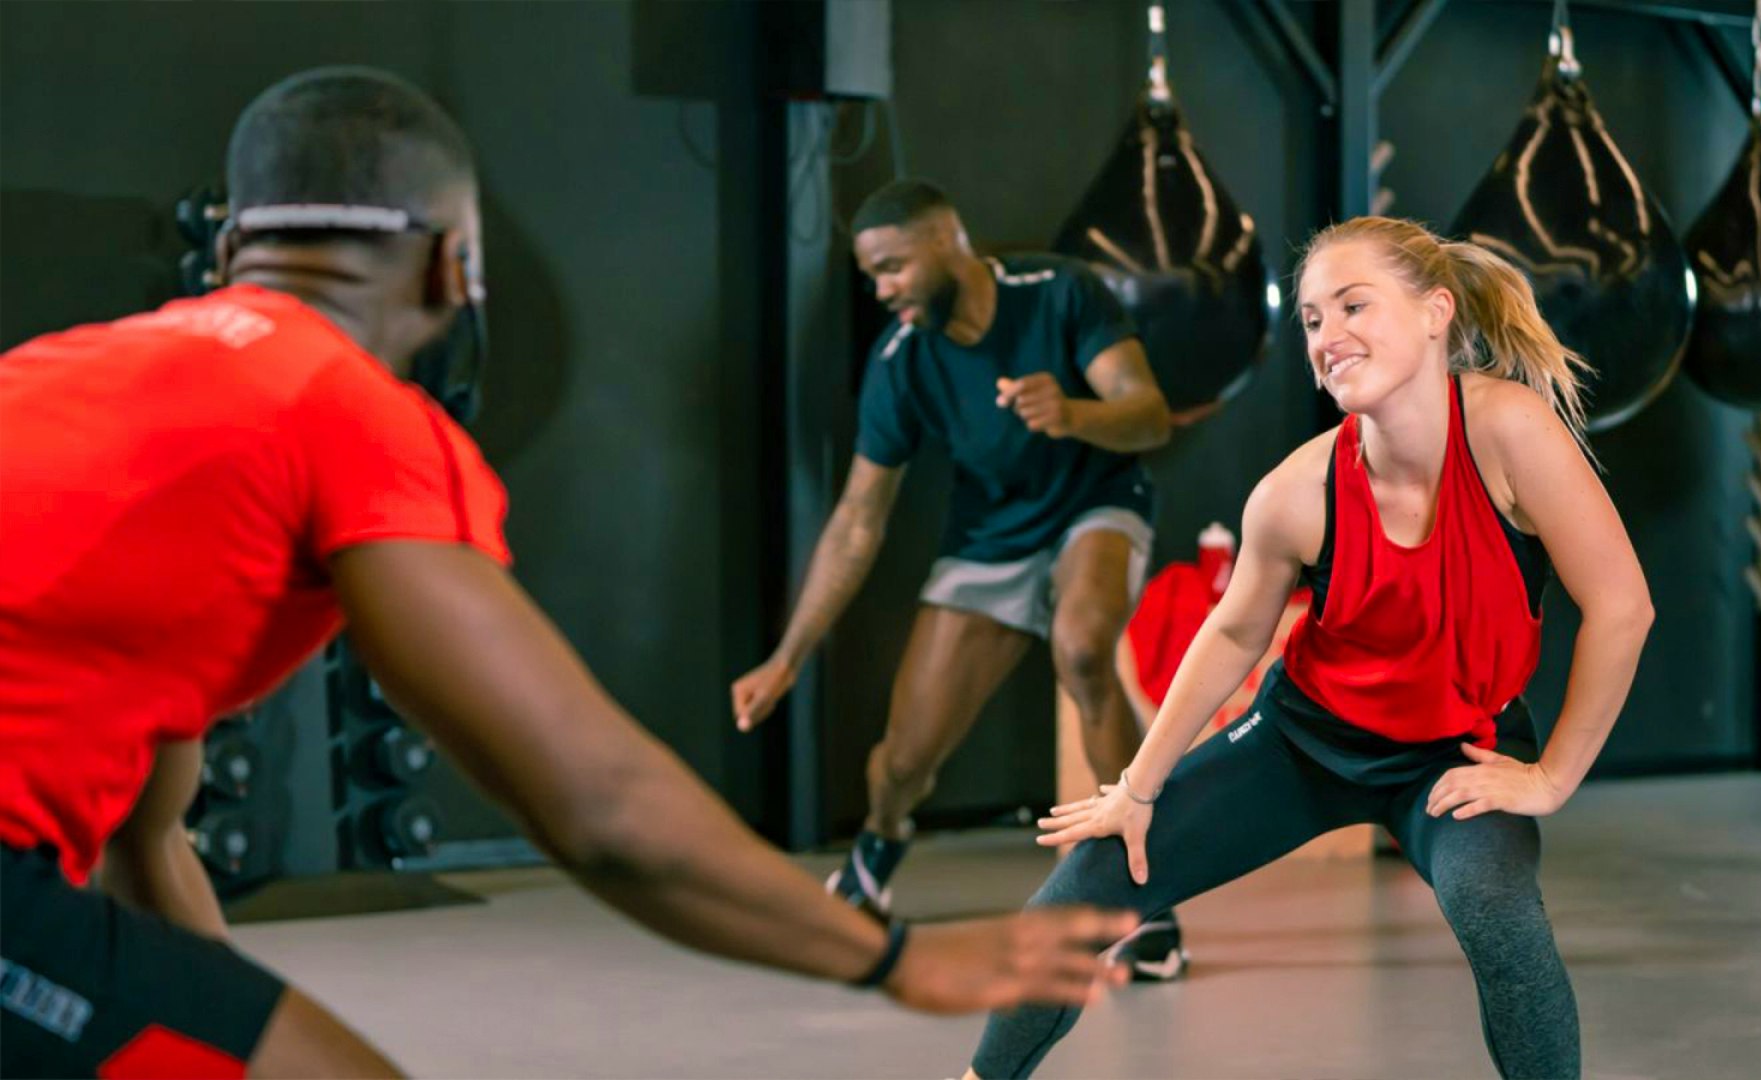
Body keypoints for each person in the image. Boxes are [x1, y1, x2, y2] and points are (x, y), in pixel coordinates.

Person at [0, 68, 1138, 1080]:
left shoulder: (65, 374)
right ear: (453, 264)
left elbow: (146, 840)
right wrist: (890, 959)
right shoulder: (344, 409)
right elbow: (599, 806)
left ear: (227, 251)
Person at [964, 215, 1656, 1080]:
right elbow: (1233, 632)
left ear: (1436, 311)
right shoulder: (1296, 492)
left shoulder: (1511, 433)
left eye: (1354, 306)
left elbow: (1622, 606)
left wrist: (1551, 777)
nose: (1329, 336)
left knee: (1498, 913)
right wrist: (1138, 788)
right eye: (1313, 319)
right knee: (1081, 892)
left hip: (1459, 752)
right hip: (1303, 741)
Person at [729, 180, 1188, 975]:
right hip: (989, 539)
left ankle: (1144, 896)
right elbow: (858, 519)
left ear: (948, 240)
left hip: (1098, 502)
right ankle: (875, 855)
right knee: (904, 760)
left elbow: (1147, 414)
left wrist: (1073, 413)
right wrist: (787, 657)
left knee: (1084, 649)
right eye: (871, 275)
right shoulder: (901, 362)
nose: (882, 290)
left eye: (893, 267)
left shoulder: (1060, 292)